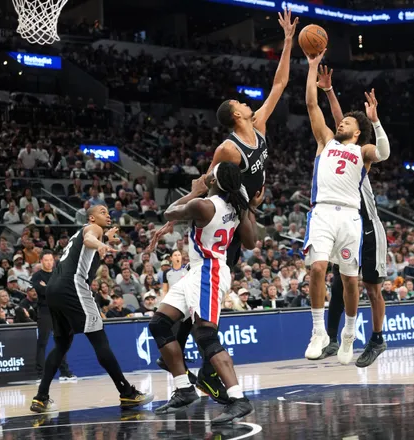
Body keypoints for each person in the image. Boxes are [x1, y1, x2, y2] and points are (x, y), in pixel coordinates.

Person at [153, 7, 298, 401]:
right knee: (202, 310)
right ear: (236, 114)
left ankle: (201, 373)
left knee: (205, 310)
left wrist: (287, 42)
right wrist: (176, 218)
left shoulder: (260, 126)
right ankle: (203, 374)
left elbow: (280, 83)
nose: (247, 102)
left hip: (242, 216)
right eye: (240, 101)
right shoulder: (227, 147)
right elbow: (207, 184)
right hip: (228, 221)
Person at [148, 162, 263, 424]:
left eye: (210, 174)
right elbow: (249, 243)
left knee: (205, 335)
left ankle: (238, 398)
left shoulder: (203, 205)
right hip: (198, 270)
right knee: (159, 324)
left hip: (209, 271)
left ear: (214, 181)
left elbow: (168, 213)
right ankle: (184, 389)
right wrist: (249, 209)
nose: (206, 176)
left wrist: (194, 191)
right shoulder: (236, 204)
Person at [302, 48, 390, 365]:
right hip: (326, 213)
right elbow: (325, 114)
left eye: (349, 124)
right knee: (325, 273)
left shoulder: (363, 153)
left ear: (356, 132)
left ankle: (368, 337)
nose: (341, 124)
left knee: (365, 285)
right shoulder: (330, 142)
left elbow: (377, 148)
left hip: (360, 222)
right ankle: (324, 334)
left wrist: (376, 122)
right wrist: (321, 81)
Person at [30, 206, 154, 413]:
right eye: (103, 211)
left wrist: (104, 241)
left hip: (54, 290)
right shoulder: (92, 228)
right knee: (99, 339)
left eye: (108, 212)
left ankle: (41, 397)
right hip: (73, 287)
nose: (107, 215)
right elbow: (90, 238)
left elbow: (89, 243)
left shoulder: (86, 236)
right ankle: (127, 393)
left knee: (62, 344)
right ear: (91, 217)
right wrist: (100, 241)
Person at [32, 250, 76, 381]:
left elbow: (62, 290)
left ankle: (64, 372)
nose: (49, 263)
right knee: (43, 343)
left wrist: (48, 288)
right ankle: (40, 374)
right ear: (41, 261)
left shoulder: (59, 274)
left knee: (62, 342)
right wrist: (53, 289)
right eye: (46, 260)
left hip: (59, 310)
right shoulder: (37, 276)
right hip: (45, 311)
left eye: (51, 260)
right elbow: (42, 291)